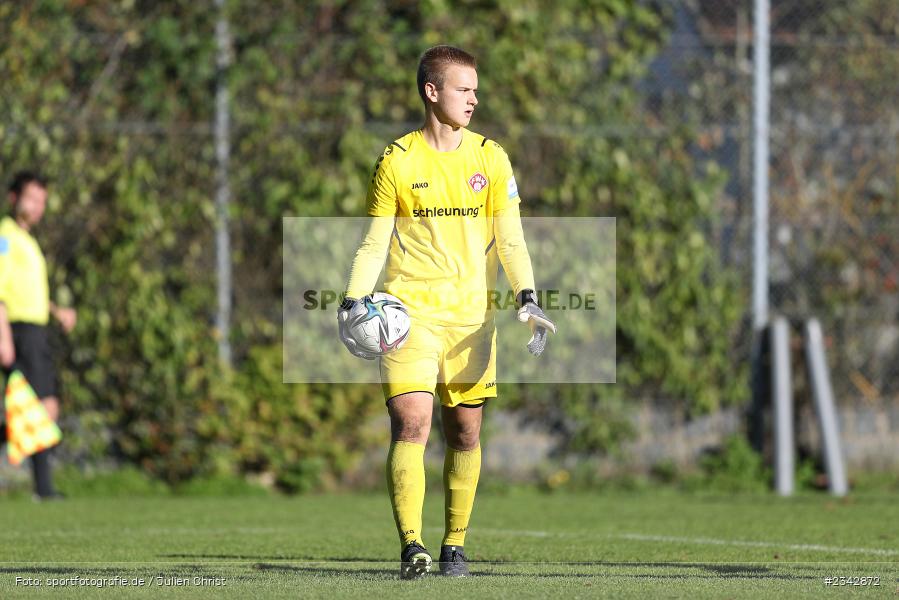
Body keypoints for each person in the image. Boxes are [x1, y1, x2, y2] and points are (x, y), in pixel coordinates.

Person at [337, 46, 555, 579]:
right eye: (463, 89)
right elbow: (373, 243)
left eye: (476, 90)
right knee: (411, 421)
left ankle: (454, 543)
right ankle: (412, 546)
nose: (474, 99)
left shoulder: (491, 158)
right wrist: (351, 299)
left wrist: (527, 295)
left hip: (471, 322)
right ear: (431, 92)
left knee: (464, 433)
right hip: (408, 316)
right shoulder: (396, 160)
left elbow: (511, 240)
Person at [0, 171, 77, 499]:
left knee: (36, 409)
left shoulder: (27, 240)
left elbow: (27, 291)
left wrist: (56, 311)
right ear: (14, 198)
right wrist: (4, 336)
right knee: (42, 408)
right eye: (31, 198)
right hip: (18, 330)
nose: (37, 207)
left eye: (42, 201)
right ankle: (44, 489)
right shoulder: (5, 237)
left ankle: (43, 488)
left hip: (36, 329)